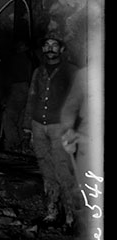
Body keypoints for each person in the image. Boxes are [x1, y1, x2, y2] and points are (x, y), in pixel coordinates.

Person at [26, 35, 77, 228]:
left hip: (60, 127)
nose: (50, 48)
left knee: (64, 171)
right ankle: (52, 213)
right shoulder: (38, 72)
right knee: (46, 170)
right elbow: (31, 98)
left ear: (62, 49)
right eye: (46, 45)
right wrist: (28, 127)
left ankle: (71, 217)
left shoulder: (71, 71)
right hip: (39, 125)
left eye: (54, 45)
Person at [60, 66, 95, 240]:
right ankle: (89, 236)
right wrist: (67, 131)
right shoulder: (86, 74)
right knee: (87, 190)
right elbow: (71, 105)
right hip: (87, 142)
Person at [1, 39, 35, 153]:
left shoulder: (16, 59)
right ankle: (22, 146)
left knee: (9, 117)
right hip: (28, 88)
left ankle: (13, 144)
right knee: (21, 118)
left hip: (17, 87)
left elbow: (8, 77)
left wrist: (5, 93)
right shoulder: (30, 59)